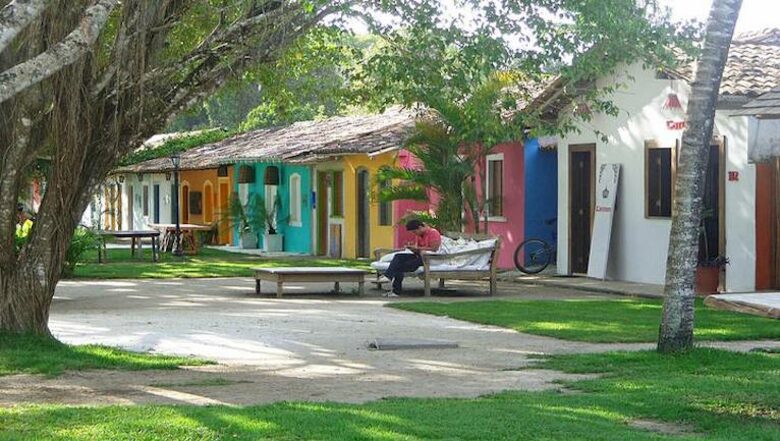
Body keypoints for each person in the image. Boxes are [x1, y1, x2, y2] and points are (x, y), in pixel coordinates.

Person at [381, 219, 442, 297]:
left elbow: (434, 249)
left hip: (429, 258)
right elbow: (419, 248)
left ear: (420, 227)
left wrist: (419, 249)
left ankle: (395, 290)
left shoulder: (433, 233)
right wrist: (413, 249)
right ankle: (389, 277)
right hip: (419, 255)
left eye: (415, 231)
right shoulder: (419, 236)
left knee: (399, 267)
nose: (414, 234)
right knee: (398, 257)